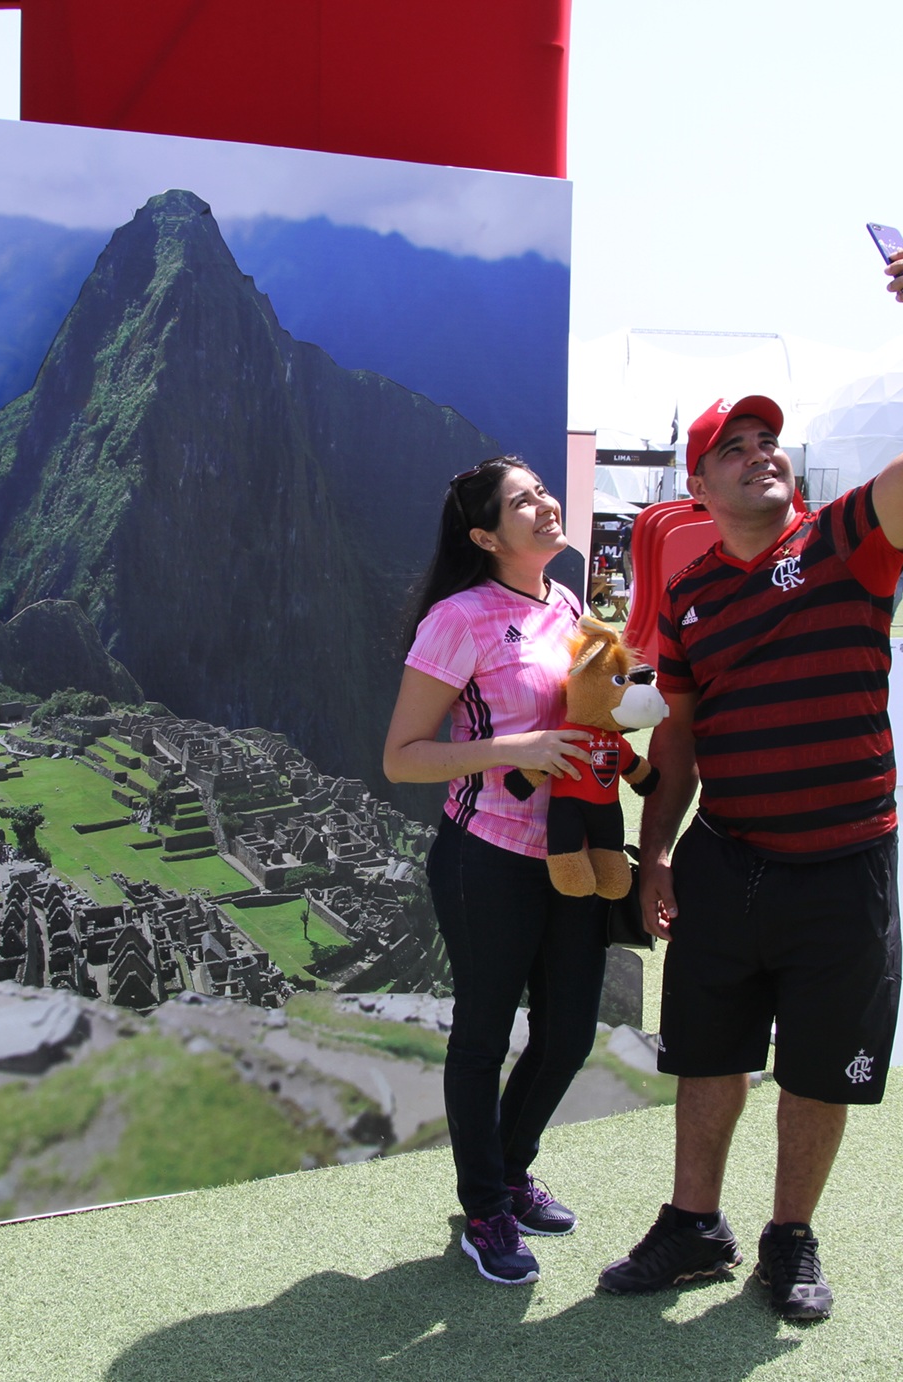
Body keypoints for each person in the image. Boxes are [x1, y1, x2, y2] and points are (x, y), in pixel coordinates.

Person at [595, 246, 903, 1321]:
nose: (758, 453)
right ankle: (692, 1225)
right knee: (708, 1051)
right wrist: (658, 848)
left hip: (841, 867)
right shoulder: (695, 598)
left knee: (817, 1069)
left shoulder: (853, 540)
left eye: (768, 442)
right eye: (733, 445)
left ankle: (788, 1237)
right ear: (697, 484)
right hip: (728, 861)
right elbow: (681, 741)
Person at [383, 457, 609, 1288]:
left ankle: (511, 1170)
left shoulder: (568, 605)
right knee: (482, 1037)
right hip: (486, 856)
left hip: (570, 855)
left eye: (543, 491)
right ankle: (484, 1208)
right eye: (523, 502)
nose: (545, 505)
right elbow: (401, 759)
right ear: (484, 536)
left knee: (568, 1034)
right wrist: (510, 750)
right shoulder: (458, 619)